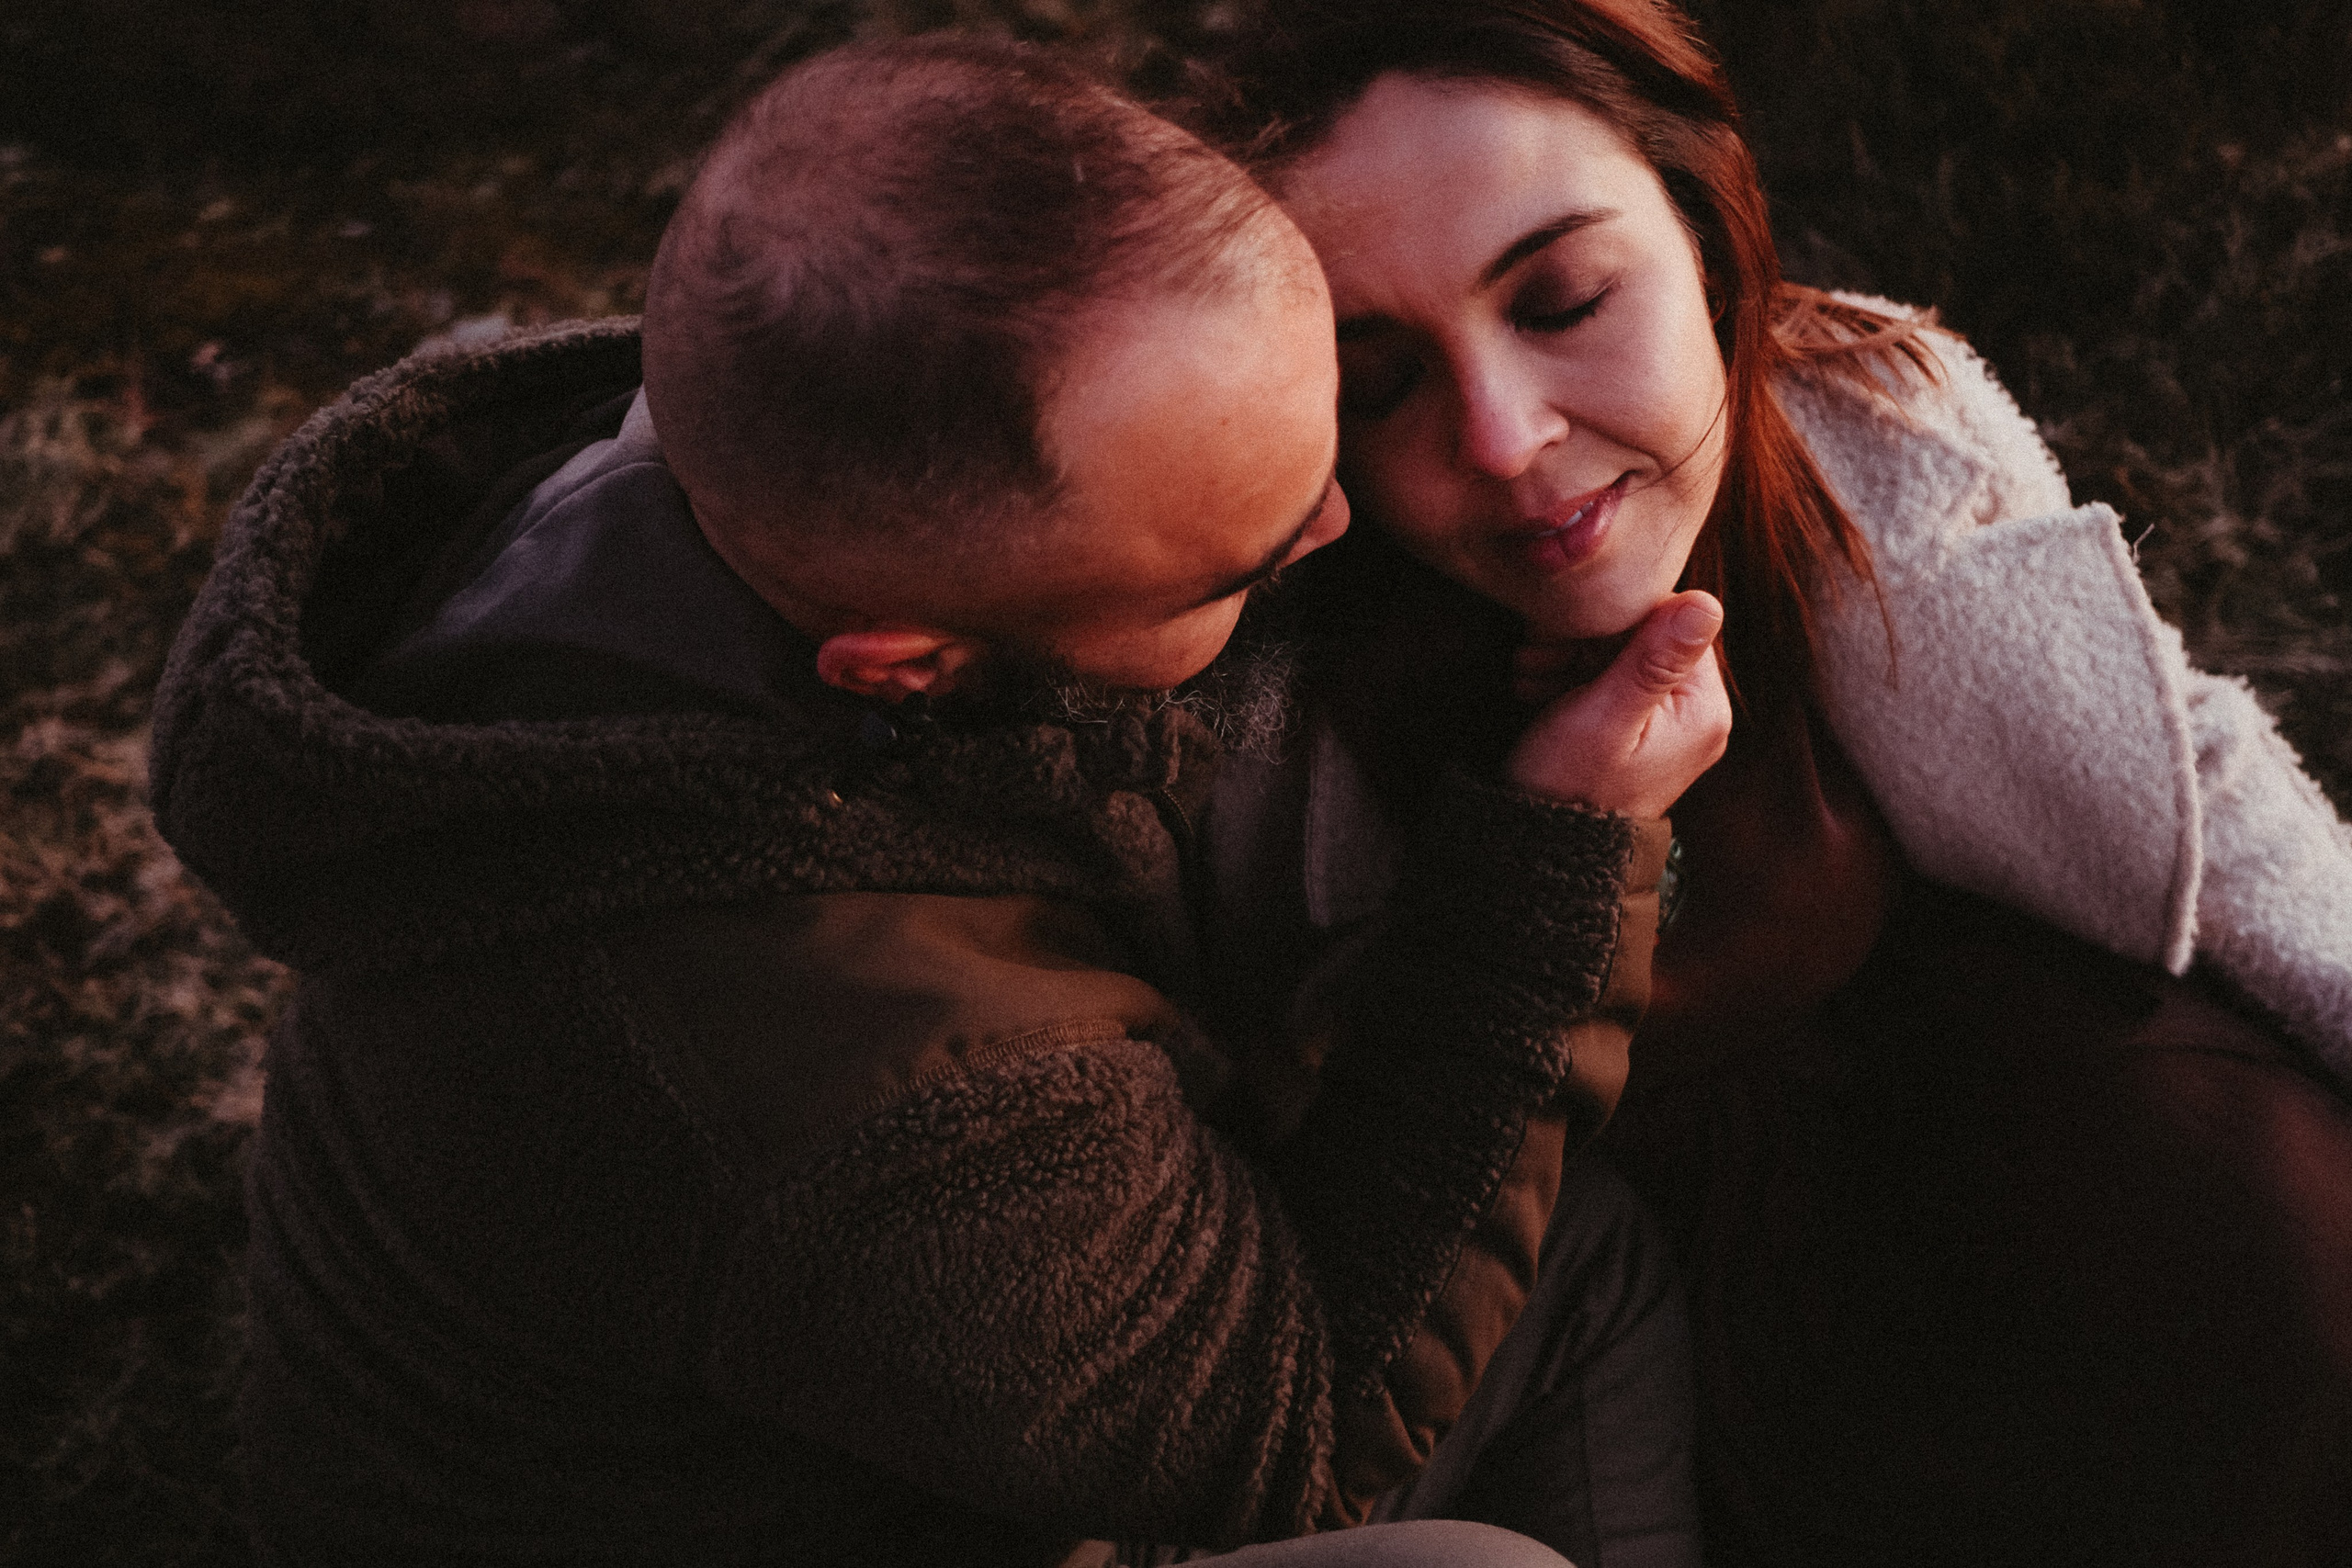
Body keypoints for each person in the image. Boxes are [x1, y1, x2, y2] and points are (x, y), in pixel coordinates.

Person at [151, 33, 1726, 1567]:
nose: (1334, 522)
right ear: (907, 669)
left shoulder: (754, 451)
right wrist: (1559, 855)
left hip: (903, 1406)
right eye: (1242, 565)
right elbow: (1295, 1421)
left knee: (1571, 1264)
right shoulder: (841, 1081)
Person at [1197, 2, 2352, 1564]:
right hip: (1631, 1315)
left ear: (1711, 239)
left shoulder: (1867, 430)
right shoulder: (1271, 701)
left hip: (2008, 1155)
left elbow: (2199, 780)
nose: (1504, 437)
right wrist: (1551, 847)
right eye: (1378, 384)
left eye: (1562, 298)